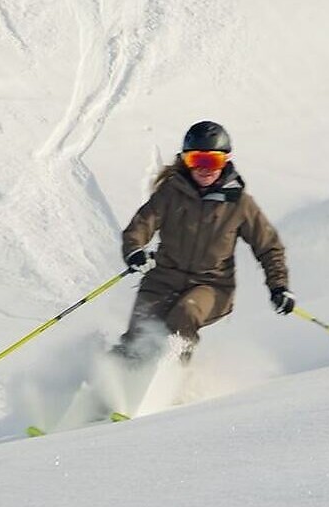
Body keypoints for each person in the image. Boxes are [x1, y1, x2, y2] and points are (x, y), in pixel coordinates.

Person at [117, 120, 294, 362]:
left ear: (225, 161)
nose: (205, 169)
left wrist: (279, 286)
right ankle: (112, 379)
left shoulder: (239, 204)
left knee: (185, 313)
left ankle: (170, 374)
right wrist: (135, 250)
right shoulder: (170, 193)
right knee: (139, 335)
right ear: (186, 161)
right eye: (196, 161)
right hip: (163, 280)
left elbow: (268, 247)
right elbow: (141, 224)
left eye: (213, 161)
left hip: (212, 286)